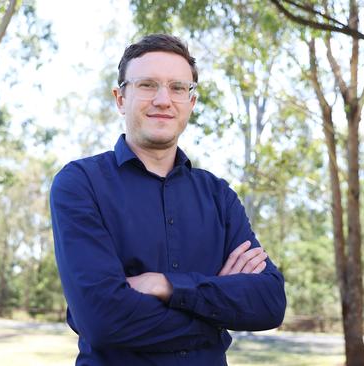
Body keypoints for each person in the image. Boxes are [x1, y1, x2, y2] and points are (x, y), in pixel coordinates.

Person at [50, 33, 286, 366]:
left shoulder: (218, 196)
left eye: (178, 88)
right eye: (147, 85)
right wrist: (217, 314)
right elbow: (103, 320)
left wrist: (166, 285)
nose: (164, 99)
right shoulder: (80, 184)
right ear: (120, 98)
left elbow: (270, 302)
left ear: (191, 102)